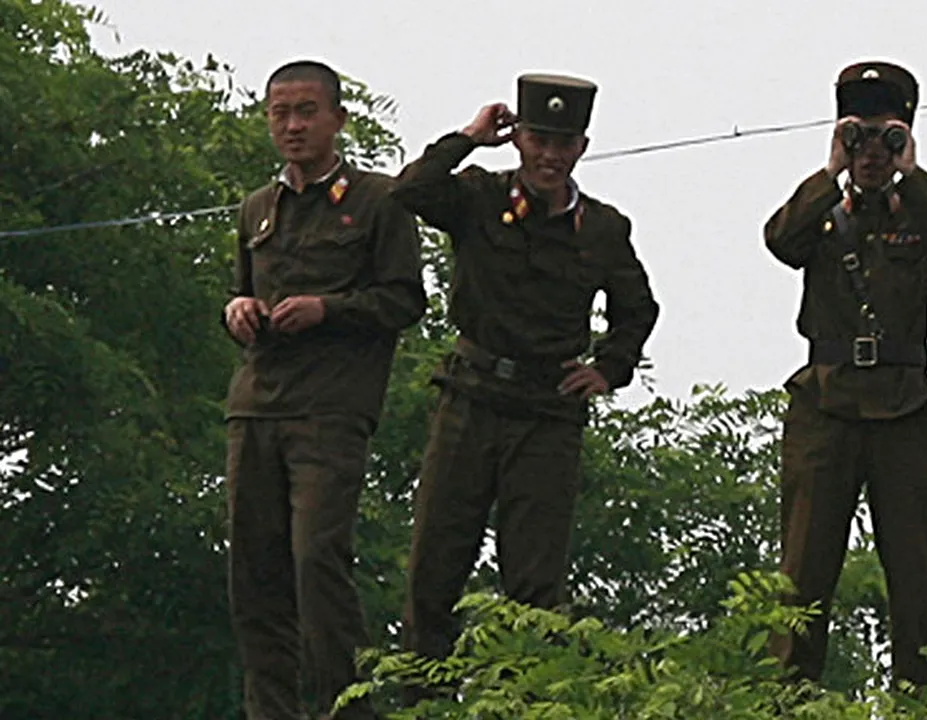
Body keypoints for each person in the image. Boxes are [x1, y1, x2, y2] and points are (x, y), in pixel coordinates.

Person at [390, 73, 660, 679]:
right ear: (520, 140)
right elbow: (410, 191)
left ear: (581, 148)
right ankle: (420, 699)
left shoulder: (602, 228)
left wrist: (608, 368)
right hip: (471, 399)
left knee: (535, 585)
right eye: (539, 138)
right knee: (435, 567)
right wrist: (468, 137)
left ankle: (525, 703)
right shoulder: (479, 197)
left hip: (547, 415)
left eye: (564, 143)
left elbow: (637, 308)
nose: (550, 155)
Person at [762, 60, 927, 692]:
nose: (870, 155)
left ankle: (923, 701)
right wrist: (829, 169)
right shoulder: (823, 212)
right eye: (859, 137)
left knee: (916, 574)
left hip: (904, 407)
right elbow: (781, 241)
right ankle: (788, 701)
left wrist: (911, 174)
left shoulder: (917, 210)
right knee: (802, 572)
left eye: (885, 137)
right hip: (826, 405)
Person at [220, 59, 428, 720]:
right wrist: (237, 311)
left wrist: (328, 309)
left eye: (306, 111)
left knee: (317, 564)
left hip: (331, 410)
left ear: (338, 118)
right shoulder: (257, 206)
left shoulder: (378, 201)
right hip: (255, 405)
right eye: (280, 113)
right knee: (254, 577)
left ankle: (349, 710)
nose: (292, 125)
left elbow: (404, 300)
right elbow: (240, 290)